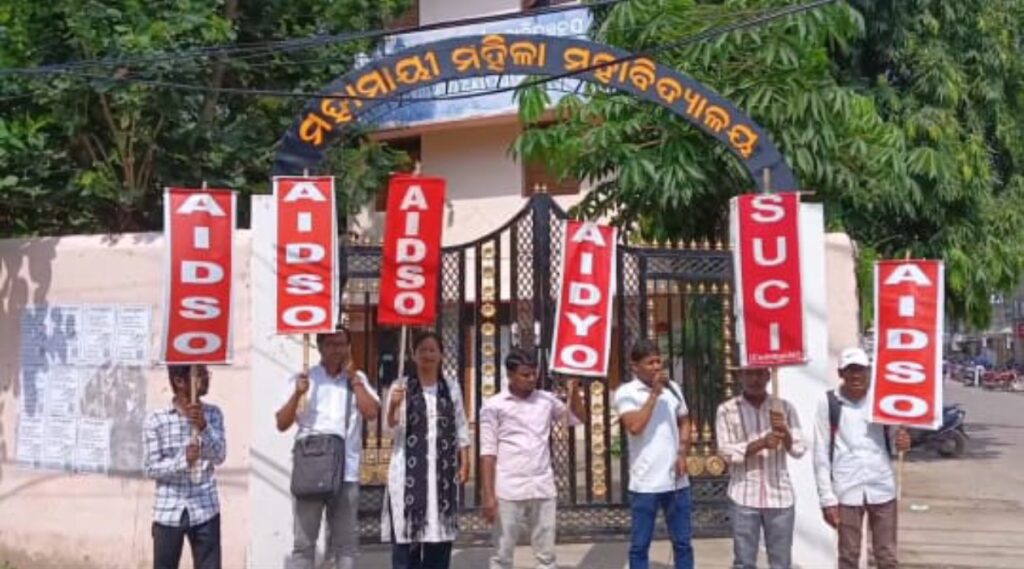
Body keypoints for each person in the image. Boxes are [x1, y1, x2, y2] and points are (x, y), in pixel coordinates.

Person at [276, 327, 380, 569]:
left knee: (346, 545)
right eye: (331, 344)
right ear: (320, 346)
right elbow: (282, 423)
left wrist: (355, 380)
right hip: (310, 472)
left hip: (346, 472)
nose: (337, 350)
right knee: (304, 545)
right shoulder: (305, 378)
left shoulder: (357, 379)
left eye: (342, 344)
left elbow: (371, 412)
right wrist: (297, 394)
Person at [479, 348, 587, 569]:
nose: (531, 379)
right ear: (510, 375)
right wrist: (488, 496)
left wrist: (574, 391)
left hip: (542, 485)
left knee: (546, 554)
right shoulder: (494, 406)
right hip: (509, 487)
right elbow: (488, 453)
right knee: (502, 553)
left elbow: (576, 418)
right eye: (525, 374)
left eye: (534, 373)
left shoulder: (546, 400)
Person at [813, 347, 911, 569]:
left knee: (887, 556)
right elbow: (821, 453)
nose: (856, 375)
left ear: (869, 371)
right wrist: (827, 498)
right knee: (848, 556)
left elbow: (894, 441)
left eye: (861, 370)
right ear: (841, 373)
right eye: (850, 370)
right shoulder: (829, 402)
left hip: (882, 486)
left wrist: (902, 441)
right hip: (847, 489)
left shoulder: (883, 400)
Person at [383, 331, 471, 569]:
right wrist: (393, 406)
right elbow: (390, 430)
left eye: (433, 350)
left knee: (439, 538)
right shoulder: (400, 387)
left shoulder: (451, 387)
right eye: (423, 350)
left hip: (443, 476)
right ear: (413, 355)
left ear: (441, 355)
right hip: (407, 476)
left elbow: (461, 425)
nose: (428, 355)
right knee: (406, 540)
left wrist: (465, 461)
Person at [613, 339, 694, 569]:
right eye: (650, 363)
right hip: (646, 482)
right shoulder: (626, 392)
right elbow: (634, 427)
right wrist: (654, 395)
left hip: (676, 481)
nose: (657, 367)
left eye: (659, 361)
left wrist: (682, 452)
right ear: (635, 366)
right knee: (640, 545)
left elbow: (685, 420)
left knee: (683, 543)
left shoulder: (673, 388)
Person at [715, 366, 806, 569]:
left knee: (781, 563)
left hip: (780, 496)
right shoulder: (727, 410)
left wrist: (784, 431)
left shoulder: (784, 408)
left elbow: (799, 449)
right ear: (740, 376)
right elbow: (726, 452)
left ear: (768, 375)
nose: (754, 379)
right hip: (743, 495)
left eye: (759, 373)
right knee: (744, 563)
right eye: (749, 373)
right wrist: (762, 443)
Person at [144, 364, 226, 569]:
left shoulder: (213, 414)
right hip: (169, 510)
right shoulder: (157, 420)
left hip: (206, 508)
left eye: (206, 373)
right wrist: (183, 461)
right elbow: (150, 468)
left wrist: (204, 427)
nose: (206, 378)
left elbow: (220, 456)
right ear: (180, 381)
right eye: (200, 374)